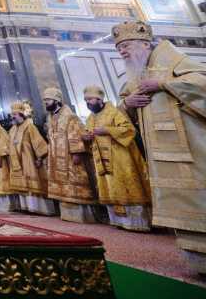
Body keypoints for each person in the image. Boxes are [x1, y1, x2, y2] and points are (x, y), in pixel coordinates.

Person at [113, 20, 206, 271]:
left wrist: (164, 84)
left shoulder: (174, 61)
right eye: (119, 48)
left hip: (193, 149)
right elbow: (121, 115)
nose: (122, 51)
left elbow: (202, 84)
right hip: (161, 154)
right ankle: (198, 263)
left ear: (145, 43)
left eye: (126, 45)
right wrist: (128, 104)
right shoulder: (137, 74)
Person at [81, 85, 151, 231]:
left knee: (126, 185)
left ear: (100, 99)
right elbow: (88, 136)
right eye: (86, 100)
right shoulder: (90, 118)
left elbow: (129, 130)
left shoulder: (115, 112)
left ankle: (136, 223)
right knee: (110, 188)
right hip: (102, 162)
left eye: (90, 99)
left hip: (121, 159)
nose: (88, 103)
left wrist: (107, 130)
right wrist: (86, 138)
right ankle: (118, 221)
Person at [42, 87, 97, 223]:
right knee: (61, 185)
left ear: (57, 100)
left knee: (74, 182)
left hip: (70, 157)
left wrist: (77, 152)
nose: (46, 103)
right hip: (56, 157)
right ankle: (67, 214)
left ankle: (81, 215)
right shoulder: (50, 117)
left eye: (48, 100)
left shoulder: (69, 116)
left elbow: (75, 134)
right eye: (45, 100)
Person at [8, 101, 55, 215]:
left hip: (29, 160)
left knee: (33, 184)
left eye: (15, 114)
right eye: (12, 114)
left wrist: (39, 158)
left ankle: (39, 208)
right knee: (22, 185)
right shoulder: (12, 130)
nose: (13, 117)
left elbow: (39, 143)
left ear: (21, 115)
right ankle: (26, 207)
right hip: (16, 161)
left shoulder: (30, 126)